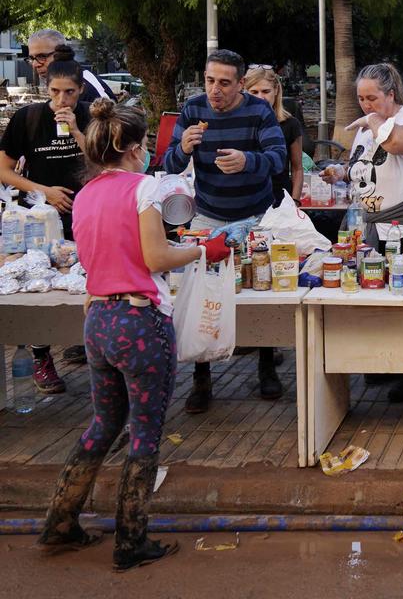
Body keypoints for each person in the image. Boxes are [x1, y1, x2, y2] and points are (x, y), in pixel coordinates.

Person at [37, 99, 227, 571]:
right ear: (133, 148)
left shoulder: (84, 195)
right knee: (145, 432)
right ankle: (131, 540)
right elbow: (156, 258)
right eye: (143, 146)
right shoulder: (145, 189)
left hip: (97, 320)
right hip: (140, 323)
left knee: (102, 423)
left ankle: (60, 522)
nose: (145, 154)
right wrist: (202, 251)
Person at [162, 49, 287, 414]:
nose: (215, 90)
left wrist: (249, 161)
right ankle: (202, 379)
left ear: (240, 84)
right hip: (208, 215)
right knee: (199, 291)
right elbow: (168, 164)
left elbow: (278, 160)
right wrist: (182, 148)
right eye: (209, 80)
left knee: (261, 288)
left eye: (224, 83)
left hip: (256, 215)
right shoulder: (193, 110)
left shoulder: (258, 111)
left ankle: (266, 365)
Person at [321, 63, 403, 403]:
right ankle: (389, 360)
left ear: (391, 94)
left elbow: (395, 145)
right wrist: (341, 172)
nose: (366, 105)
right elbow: (363, 169)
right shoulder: (366, 129)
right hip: (378, 226)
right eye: (361, 98)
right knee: (381, 296)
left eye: (372, 98)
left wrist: (376, 121)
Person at [1, 58, 94, 386]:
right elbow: (3, 169)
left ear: (81, 90)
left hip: (88, 217)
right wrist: (44, 192)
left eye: (69, 92)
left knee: (87, 288)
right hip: (41, 219)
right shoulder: (28, 118)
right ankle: (41, 358)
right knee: (39, 289)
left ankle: (93, 353)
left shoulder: (91, 115)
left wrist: (78, 132)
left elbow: (106, 162)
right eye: (55, 91)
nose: (61, 100)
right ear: (46, 88)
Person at [245, 66, 305, 205]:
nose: (261, 97)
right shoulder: (238, 124)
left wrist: (295, 202)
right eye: (254, 92)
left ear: (276, 90)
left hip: (281, 202)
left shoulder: (291, 124)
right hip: (246, 202)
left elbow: (297, 168)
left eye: (266, 91)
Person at [24, 30, 116, 103]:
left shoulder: (88, 85)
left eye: (41, 56)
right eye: (32, 58)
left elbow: (110, 121)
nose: (35, 64)